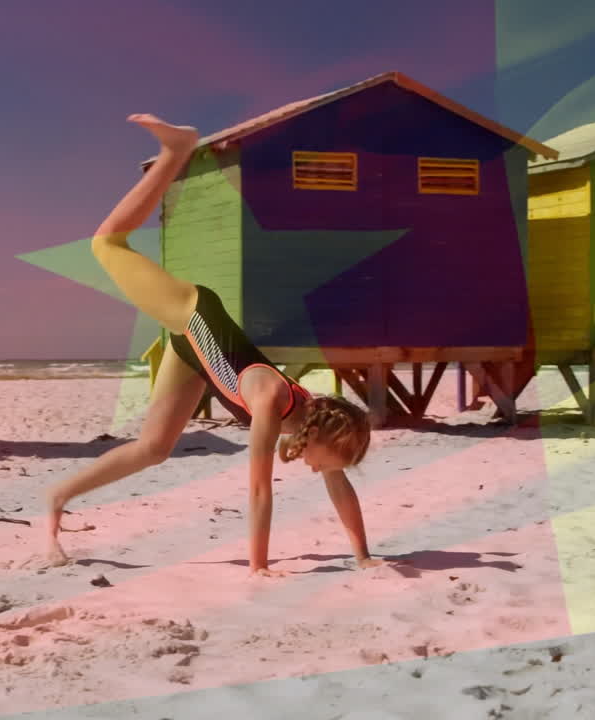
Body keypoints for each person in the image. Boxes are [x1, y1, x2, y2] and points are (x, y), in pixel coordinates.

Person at [42, 114, 381, 578]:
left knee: (153, 448)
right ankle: (176, 152)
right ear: (320, 438)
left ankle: (58, 495)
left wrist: (362, 555)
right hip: (194, 314)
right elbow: (260, 491)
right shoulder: (272, 404)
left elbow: (341, 487)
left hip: (192, 355)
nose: (323, 470)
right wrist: (258, 568)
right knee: (106, 243)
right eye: (330, 461)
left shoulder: (313, 422)